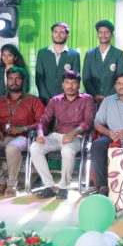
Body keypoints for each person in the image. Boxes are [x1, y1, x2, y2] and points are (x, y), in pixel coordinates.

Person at [0, 67, 45, 197]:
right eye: (11, 79)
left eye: (18, 79)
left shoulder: (33, 100)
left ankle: (12, 184)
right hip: (2, 136)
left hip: (23, 137)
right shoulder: (0, 101)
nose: (14, 82)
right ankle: (1, 181)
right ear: (7, 81)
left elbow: (41, 122)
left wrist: (23, 128)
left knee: (12, 148)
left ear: (23, 81)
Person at [30, 70, 95, 200]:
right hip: (57, 136)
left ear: (78, 85)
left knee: (67, 151)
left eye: (73, 83)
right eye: (67, 83)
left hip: (77, 137)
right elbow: (44, 120)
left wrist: (73, 133)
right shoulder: (55, 100)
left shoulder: (87, 99)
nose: (70, 86)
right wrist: (40, 133)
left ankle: (63, 187)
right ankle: (49, 186)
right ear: (62, 85)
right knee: (35, 147)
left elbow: (88, 122)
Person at [35, 22, 81, 104]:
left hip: (67, 100)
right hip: (46, 100)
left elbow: (75, 80)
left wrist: (66, 98)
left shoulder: (74, 55)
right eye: (55, 32)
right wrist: (46, 98)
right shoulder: (42, 53)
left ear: (67, 35)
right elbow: (39, 78)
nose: (58, 35)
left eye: (62, 32)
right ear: (52, 34)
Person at [82, 20, 123, 103]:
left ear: (111, 35)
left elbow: (121, 78)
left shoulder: (119, 54)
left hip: (114, 99)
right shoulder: (89, 54)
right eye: (100, 32)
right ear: (97, 34)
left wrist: (109, 97)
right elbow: (86, 78)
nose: (103, 35)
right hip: (92, 100)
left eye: (106, 32)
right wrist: (95, 95)